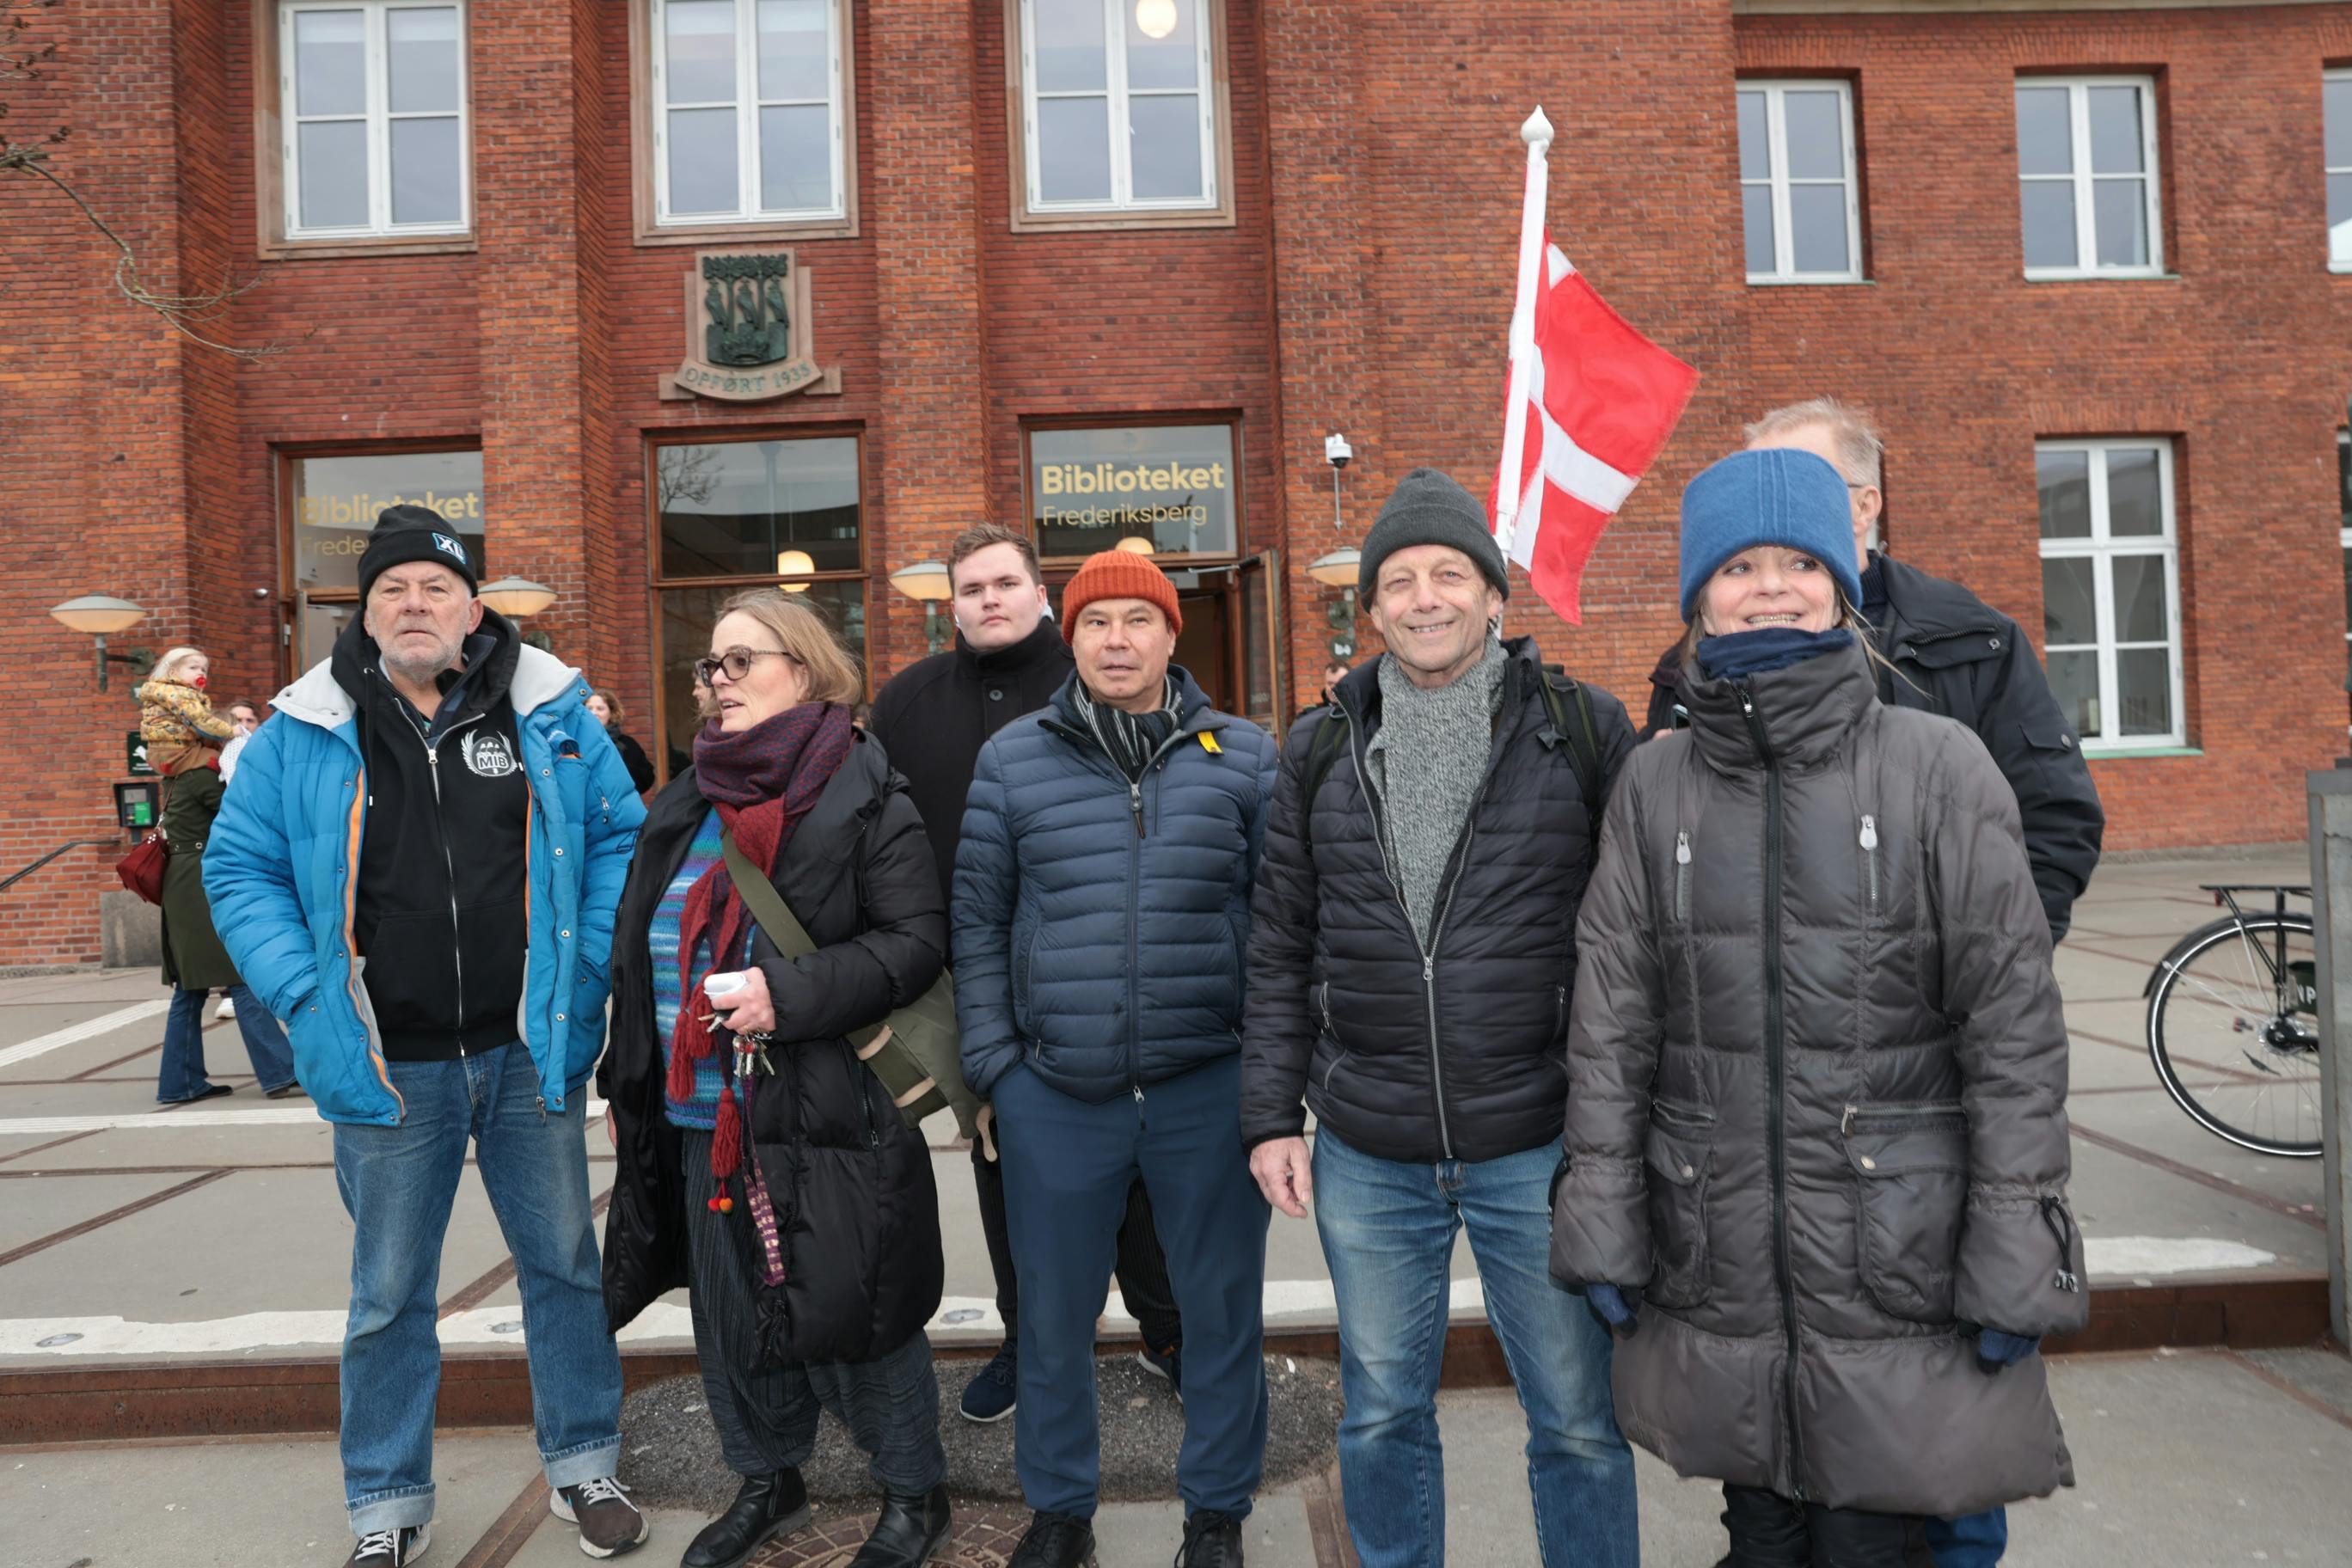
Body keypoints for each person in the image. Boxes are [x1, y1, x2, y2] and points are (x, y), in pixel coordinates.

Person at [1552, 449, 2088, 1568]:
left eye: (1800, 561)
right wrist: (1603, 1219)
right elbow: (1613, 1018)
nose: (1770, 586)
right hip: (1723, 1258)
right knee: (1762, 1537)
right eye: (1740, 565)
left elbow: (2013, 1034)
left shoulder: (1937, 765)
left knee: (1881, 1543)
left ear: (1844, 584)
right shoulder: (1657, 785)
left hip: (1901, 1264)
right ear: (1700, 595)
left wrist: (2015, 1246)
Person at [205, 505, 649, 1568]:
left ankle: (585, 1460)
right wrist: (305, 998)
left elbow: (619, 841)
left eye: (435, 588)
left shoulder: (549, 714)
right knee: (390, 1293)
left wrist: (587, 971)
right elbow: (238, 870)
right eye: (392, 590)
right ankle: (387, 1503)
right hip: (386, 1067)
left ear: (473, 608)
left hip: (528, 1050)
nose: (415, 605)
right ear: (362, 614)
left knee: (564, 1269)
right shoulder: (304, 730)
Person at [1240, 468, 1640, 1568]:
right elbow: (1279, 944)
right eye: (1400, 580)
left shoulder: (1580, 729)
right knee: (1379, 1414)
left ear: (1494, 596)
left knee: (1575, 1423)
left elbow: (1639, 936)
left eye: (1449, 574)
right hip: (1370, 1149)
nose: (1425, 598)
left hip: (1537, 1142)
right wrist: (1271, 1116)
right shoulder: (1318, 747)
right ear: (1370, 609)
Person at [601, 588, 953, 1568]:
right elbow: (642, 936)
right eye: (711, 666)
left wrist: (784, 994)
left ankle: (914, 1495)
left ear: (804, 670)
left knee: (857, 1308)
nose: (719, 682)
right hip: (697, 1113)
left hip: (823, 1105)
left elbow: (915, 942)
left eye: (742, 660)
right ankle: (769, 1479)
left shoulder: (863, 785)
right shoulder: (688, 794)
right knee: (728, 1315)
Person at [953, 549, 1279, 1568]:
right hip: (1057, 1089)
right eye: (1098, 624)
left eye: (1140, 621)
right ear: (1073, 636)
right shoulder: (1013, 759)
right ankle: (1061, 1513)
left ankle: (1216, 1515)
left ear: (1173, 637)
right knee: (1052, 1318)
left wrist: (1271, 1083)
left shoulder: (1247, 758)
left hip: (1207, 1085)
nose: (1118, 641)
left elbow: (1280, 929)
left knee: (1219, 1314)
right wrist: (996, 1065)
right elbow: (977, 920)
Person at [868, 522, 1184, 1426]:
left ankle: (1168, 1332)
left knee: (1137, 1169)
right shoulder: (909, 701)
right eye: (971, 589)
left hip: (1109, 968)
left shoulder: (1097, 675)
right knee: (1007, 1171)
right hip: (970, 979)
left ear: (1041, 594)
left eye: (1005, 583)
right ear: (952, 604)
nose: (989, 600)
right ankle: (1031, 1340)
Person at [1640, 397, 2104, 946]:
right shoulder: (1692, 662)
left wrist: (1999, 962)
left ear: (1865, 506)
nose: (1771, 503)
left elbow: (2055, 821)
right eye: (1756, 482)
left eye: (1804, 480)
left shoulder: (1971, 640)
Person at [147, 662, 298, 1104]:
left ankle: (180, 1082)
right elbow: (248, 813)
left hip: (184, 884)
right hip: (200, 884)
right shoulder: (203, 777)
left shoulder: (180, 776)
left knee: (190, 990)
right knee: (239, 976)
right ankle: (280, 1072)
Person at [137, 647, 235, 775]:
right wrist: (230, 731)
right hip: (176, 752)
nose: (201, 672)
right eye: (193, 668)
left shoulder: (165, 692)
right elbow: (200, 719)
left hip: (157, 752)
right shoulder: (180, 694)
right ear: (172, 673)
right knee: (220, 759)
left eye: (204, 669)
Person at [586, 688, 659, 795]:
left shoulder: (628, 744)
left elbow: (646, 777)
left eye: (600, 709)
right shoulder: (572, 742)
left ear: (611, 713)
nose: (594, 713)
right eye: (589, 709)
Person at [217, 698, 264, 785]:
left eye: (250, 720)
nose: (244, 726)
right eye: (238, 720)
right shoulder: (215, 752)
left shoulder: (266, 754)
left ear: (258, 725)